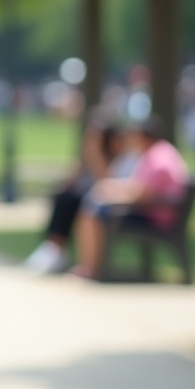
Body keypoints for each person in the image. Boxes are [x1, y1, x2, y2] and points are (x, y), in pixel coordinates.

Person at [70, 116, 189, 280]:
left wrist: (112, 192)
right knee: (94, 205)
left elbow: (141, 195)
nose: (131, 140)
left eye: (134, 135)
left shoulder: (158, 159)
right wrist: (112, 188)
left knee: (92, 212)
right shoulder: (158, 153)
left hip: (155, 218)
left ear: (145, 137)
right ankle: (90, 267)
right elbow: (139, 187)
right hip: (154, 212)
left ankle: (89, 268)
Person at [24, 117, 136, 274]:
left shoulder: (124, 158)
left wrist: (96, 155)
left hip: (111, 205)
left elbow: (106, 184)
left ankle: (61, 254)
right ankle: (54, 248)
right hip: (95, 198)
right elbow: (69, 182)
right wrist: (85, 156)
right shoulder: (91, 154)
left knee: (78, 203)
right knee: (64, 196)